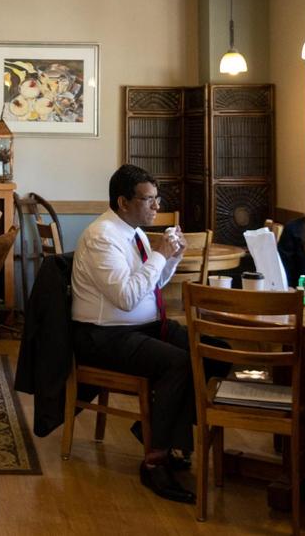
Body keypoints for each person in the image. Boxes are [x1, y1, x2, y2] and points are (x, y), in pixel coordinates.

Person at [71, 164, 205, 505]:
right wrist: (159, 256)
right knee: (179, 364)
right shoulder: (102, 236)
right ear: (123, 201)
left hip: (140, 326)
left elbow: (152, 286)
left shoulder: (137, 232)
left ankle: (159, 425)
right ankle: (155, 459)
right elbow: (127, 298)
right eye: (148, 200)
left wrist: (171, 259)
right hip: (103, 337)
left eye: (157, 199)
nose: (157, 207)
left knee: (212, 348)